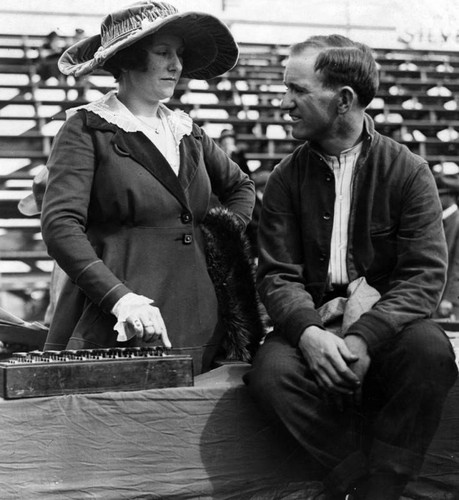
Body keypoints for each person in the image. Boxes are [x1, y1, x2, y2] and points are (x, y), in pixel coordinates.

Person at [244, 35, 458, 500]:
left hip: (386, 320)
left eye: (298, 91)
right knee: (270, 375)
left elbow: (423, 276)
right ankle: (361, 480)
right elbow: (278, 275)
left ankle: (382, 483)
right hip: (314, 319)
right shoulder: (283, 178)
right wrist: (309, 334)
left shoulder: (407, 170)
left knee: (430, 353)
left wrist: (365, 336)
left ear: (343, 100)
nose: (285, 103)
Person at [41, 1, 255, 375]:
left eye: (179, 55)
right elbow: (60, 226)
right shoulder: (87, 130)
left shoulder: (189, 132)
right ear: (126, 60)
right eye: (163, 53)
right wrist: (119, 299)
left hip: (202, 318)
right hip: (122, 322)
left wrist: (216, 242)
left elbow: (241, 187)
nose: (177, 65)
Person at [432, 162, 459, 320]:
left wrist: (450, 298)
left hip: (450, 300)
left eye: (440, 195)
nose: (436, 198)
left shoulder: (456, 221)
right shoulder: (435, 219)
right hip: (433, 293)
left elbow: (457, 265)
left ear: (451, 195)